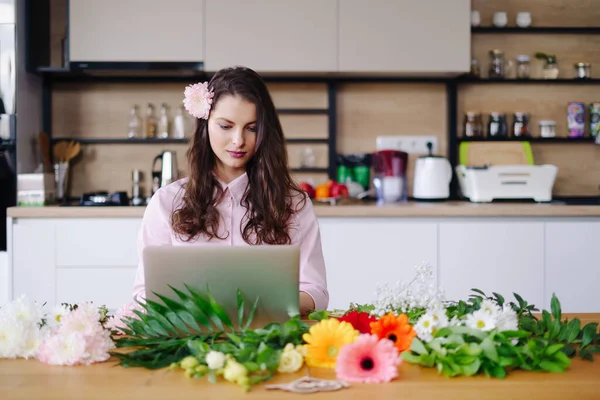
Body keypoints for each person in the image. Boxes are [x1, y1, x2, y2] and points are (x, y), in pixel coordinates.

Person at [132, 66, 328, 315]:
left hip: (266, 342)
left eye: (252, 128)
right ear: (206, 125)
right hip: (189, 341)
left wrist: (257, 309)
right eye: (226, 126)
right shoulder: (167, 202)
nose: (238, 140)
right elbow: (143, 294)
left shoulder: (293, 203)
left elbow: (316, 292)